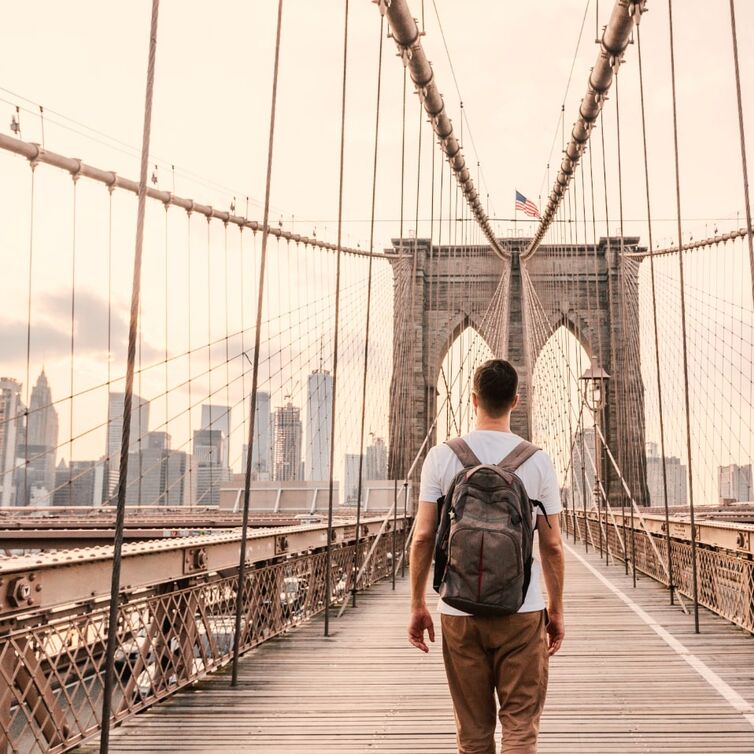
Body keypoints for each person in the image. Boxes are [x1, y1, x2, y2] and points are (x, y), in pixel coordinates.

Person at [408, 358, 565, 754]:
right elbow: (552, 546)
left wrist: (417, 604)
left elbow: (424, 536)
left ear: (473, 399)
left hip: (459, 612)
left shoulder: (442, 457)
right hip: (522, 610)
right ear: (515, 401)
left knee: (474, 734)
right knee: (520, 727)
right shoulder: (537, 460)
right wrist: (556, 610)